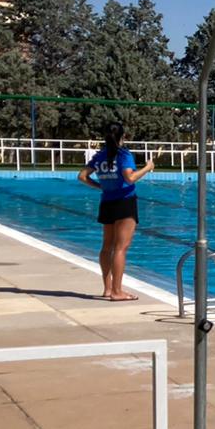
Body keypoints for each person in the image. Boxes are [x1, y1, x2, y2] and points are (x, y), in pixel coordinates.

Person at [79, 124, 154, 301]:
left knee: (107, 247)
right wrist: (148, 167)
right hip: (125, 203)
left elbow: (82, 176)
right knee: (121, 248)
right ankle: (117, 292)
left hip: (107, 202)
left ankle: (107, 289)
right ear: (124, 136)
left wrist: (101, 186)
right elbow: (130, 177)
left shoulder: (100, 155)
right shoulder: (123, 154)